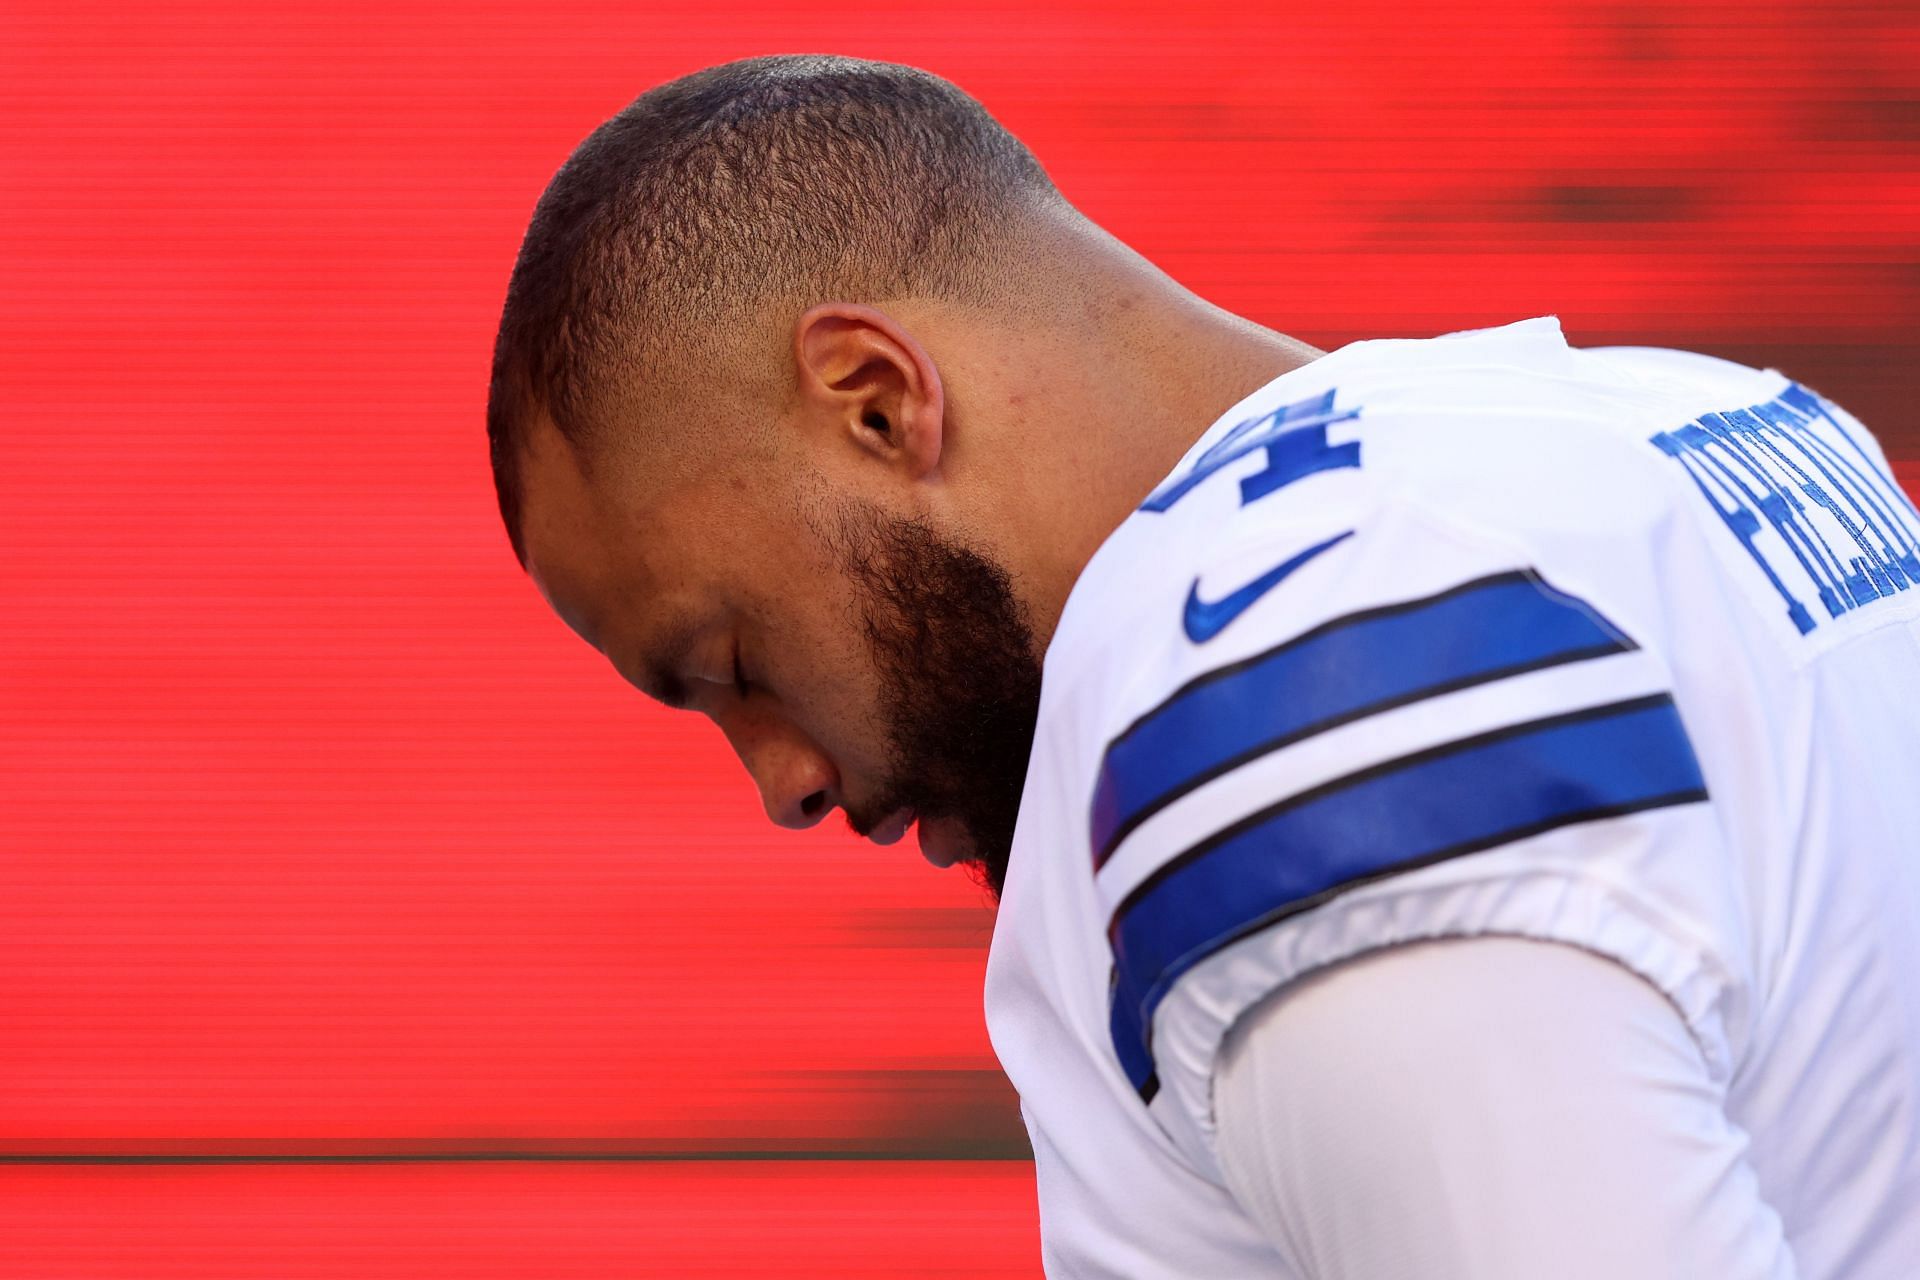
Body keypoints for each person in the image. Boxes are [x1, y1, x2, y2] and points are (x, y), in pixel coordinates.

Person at [483, 53, 1920, 1279]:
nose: (784, 785)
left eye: (736, 664)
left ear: (876, 401)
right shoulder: (1711, 421)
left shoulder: (1283, 690)